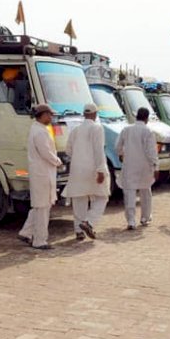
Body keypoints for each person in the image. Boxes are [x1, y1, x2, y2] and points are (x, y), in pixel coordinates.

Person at [61, 103, 110, 240]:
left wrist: (78, 158)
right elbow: (99, 150)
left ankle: (78, 231)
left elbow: (68, 150)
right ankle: (89, 222)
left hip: (77, 170)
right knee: (102, 197)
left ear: (84, 114)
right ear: (95, 114)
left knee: (79, 199)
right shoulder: (97, 128)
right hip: (93, 170)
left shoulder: (76, 129)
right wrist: (101, 170)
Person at [18, 104, 63, 250]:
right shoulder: (40, 132)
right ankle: (40, 240)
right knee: (43, 208)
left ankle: (26, 232)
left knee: (39, 206)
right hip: (43, 173)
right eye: (49, 115)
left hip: (41, 173)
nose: (51, 117)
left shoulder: (37, 129)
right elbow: (46, 153)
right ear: (42, 115)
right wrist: (58, 162)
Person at [115, 107, 158, 230]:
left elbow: (117, 146)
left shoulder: (126, 130)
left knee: (130, 194)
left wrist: (121, 155)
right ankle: (145, 217)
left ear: (136, 116)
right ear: (147, 118)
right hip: (145, 167)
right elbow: (151, 152)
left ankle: (131, 221)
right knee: (145, 192)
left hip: (129, 166)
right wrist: (156, 166)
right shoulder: (148, 131)